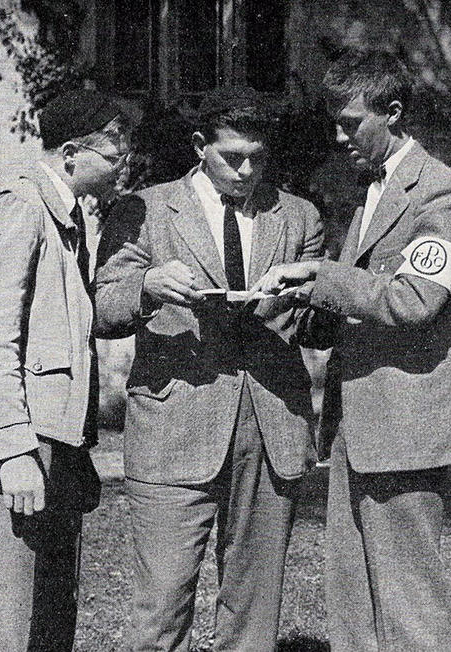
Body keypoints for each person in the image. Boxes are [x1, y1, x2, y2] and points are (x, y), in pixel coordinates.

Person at [255, 49, 451, 651]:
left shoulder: (440, 194)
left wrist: (320, 275)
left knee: (407, 606)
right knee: (351, 600)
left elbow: (413, 299)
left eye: (351, 122)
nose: (338, 135)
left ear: (395, 113)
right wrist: (286, 307)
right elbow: (356, 306)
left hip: (406, 429)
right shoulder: (369, 194)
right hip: (358, 426)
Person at [93, 85, 323, 652]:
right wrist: (146, 287)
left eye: (258, 157)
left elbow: (320, 325)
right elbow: (100, 306)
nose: (247, 171)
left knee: (253, 616)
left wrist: (307, 297)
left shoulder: (299, 215)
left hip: (270, 428)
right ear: (200, 146)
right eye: (232, 157)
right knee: (162, 608)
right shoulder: (142, 209)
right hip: (174, 427)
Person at [0, 89, 131, 651]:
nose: (123, 164)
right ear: (71, 153)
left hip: (50, 441)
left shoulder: (64, 222)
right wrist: (13, 450)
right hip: (12, 440)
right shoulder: (19, 209)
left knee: (44, 617)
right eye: (114, 153)